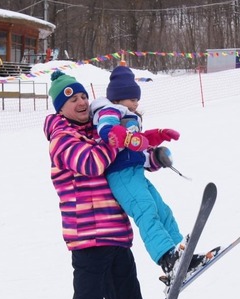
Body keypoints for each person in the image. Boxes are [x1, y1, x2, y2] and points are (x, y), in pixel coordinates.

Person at [42, 70, 178, 299]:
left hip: (116, 235)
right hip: (88, 240)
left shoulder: (99, 129)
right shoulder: (62, 138)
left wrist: (151, 156)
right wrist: (116, 138)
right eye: (72, 99)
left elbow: (123, 161)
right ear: (60, 107)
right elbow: (93, 163)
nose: (81, 102)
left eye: (83, 96)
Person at [90, 65, 218, 285]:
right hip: (121, 176)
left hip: (136, 174)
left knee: (163, 211)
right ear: (118, 98)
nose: (136, 104)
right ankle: (167, 259)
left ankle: (181, 254)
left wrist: (157, 139)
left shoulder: (130, 116)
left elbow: (138, 147)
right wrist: (129, 139)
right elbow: (106, 130)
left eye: (137, 100)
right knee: (146, 211)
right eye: (132, 99)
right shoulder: (109, 110)